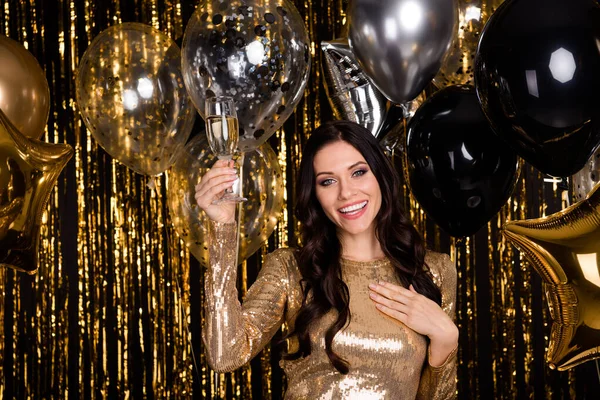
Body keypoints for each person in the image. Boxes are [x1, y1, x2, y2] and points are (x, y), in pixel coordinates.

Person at [194, 120, 458, 399]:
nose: (346, 193)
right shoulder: (290, 268)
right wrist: (223, 228)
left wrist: (446, 339)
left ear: (380, 175)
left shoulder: (434, 271)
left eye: (358, 172)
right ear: (315, 194)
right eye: (328, 181)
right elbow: (225, 355)